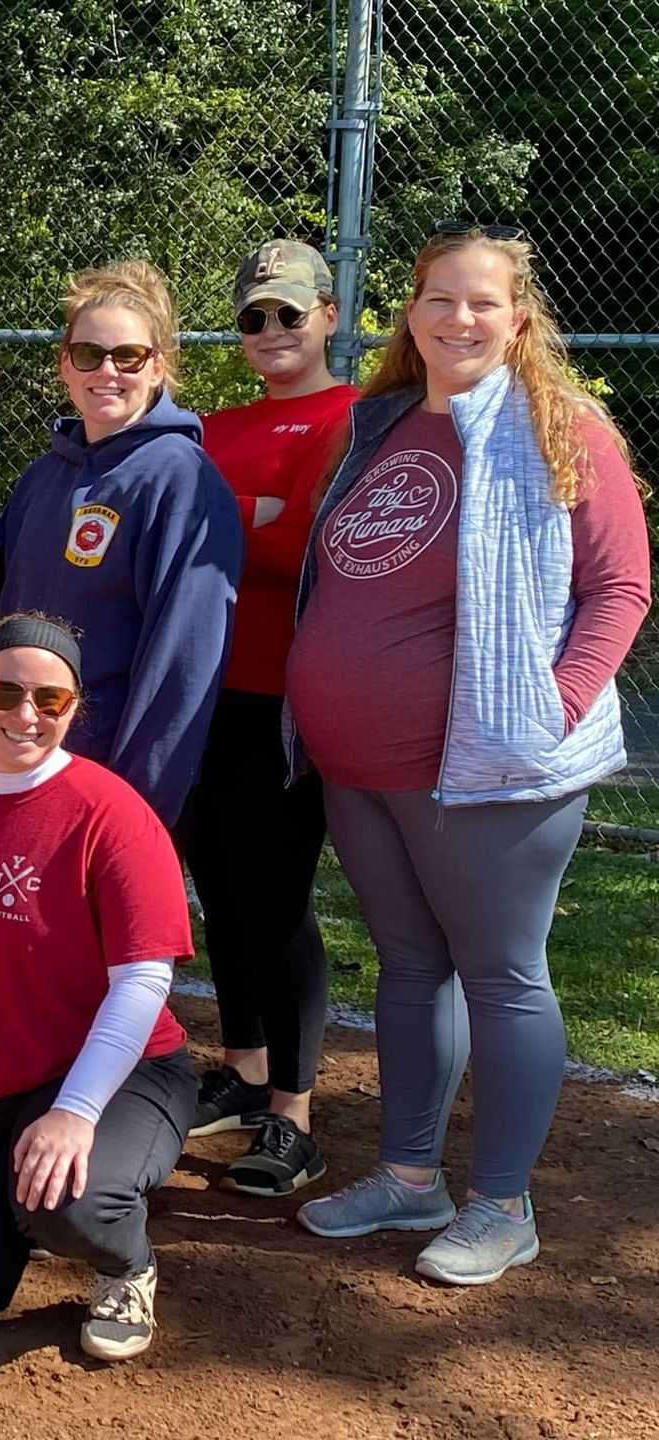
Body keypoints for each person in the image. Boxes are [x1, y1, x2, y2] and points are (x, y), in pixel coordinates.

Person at [289, 224, 650, 1285]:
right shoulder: (384, 425)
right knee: (409, 968)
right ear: (411, 312)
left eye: (482, 302)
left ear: (520, 317)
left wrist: (555, 704)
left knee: (502, 975)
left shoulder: (561, 428)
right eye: (437, 299)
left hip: (491, 769)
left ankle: (503, 1204)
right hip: (360, 767)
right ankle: (411, 1179)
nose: (457, 319)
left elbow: (620, 589)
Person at [0, 613, 196, 1362]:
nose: (25, 715)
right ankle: (21, 1203)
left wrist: (77, 1114)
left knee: (70, 1203)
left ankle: (126, 1262)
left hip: (114, 1075)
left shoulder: (112, 814)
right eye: (6, 691)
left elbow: (144, 976)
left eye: (50, 700)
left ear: (75, 706)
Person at [185, 241, 357, 1193]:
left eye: (289, 314)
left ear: (328, 315)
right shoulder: (215, 424)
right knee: (220, 882)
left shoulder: (359, 417)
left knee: (278, 894)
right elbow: (196, 526)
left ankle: (294, 1113)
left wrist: (241, 517)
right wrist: (257, 511)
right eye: (253, 318)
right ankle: (247, 1072)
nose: (271, 332)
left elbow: (306, 542)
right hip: (208, 690)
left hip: (292, 694)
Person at [0, 261, 243, 829]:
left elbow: (182, 667)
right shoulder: (42, 478)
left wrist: (136, 809)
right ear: (64, 364)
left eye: (128, 356)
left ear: (157, 367)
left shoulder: (182, 480)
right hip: (23, 753)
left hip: (110, 779)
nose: (107, 371)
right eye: (88, 354)